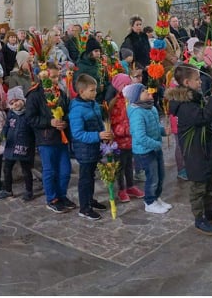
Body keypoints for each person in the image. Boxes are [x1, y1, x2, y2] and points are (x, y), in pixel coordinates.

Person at [167, 65, 212, 235]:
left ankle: (210, 212)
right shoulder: (183, 105)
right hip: (195, 152)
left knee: (209, 183)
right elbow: (203, 117)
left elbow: (207, 111)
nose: (200, 81)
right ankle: (199, 218)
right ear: (187, 82)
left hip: (205, 149)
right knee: (199, 187)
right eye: (197, 79)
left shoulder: (193, 97)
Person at [26, 63, 76, 213]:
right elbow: (30, 118)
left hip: (62, 137)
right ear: (43, 76)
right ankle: (52, 198)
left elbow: (67, 111)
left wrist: (65, 121)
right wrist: (50, 122)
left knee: (65, 170)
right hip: (46, 138)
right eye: (53, 77)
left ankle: (62, 195)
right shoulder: (34, 94)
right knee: (50, 170)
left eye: (57, 76)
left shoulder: (60, 92)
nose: (56, 80)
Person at [69, 73, 114, 221]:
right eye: (92, 90)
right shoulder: (77, 109)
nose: (95, 93)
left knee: (91, 176)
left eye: (95, 90)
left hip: (95, 147)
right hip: (85, 149)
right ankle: (84, 207)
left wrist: (105, 135)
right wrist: (98, 136)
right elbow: (78, 133)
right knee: (85, 178)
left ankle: (90, 200)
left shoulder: (93, 103)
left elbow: (99, 122)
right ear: (81, 92)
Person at [124, 83, 171, 214]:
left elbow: (155, 127)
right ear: (135, 97)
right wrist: (156, 144)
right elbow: (140, 136)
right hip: (145, 151)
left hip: (155, 147)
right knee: (153, 177)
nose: (147, 91)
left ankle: (156, 198)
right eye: (143, 91)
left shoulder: (151, 108)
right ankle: (149, 202)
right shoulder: (137, 113)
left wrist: (163, 131)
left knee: (161, 175)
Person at [108, 74, 144, 203]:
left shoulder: (133, 100)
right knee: (120, 166)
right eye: (126, 85)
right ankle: (121, 189)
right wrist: (126, 130)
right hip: (119, 141)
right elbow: (114, 123)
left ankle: (130, 186)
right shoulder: (115, 103)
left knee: (130, 164)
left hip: (131, 141)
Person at [0, 86, 35, 201]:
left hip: (24, 147)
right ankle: (8, 190)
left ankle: (29, 191)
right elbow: (6, 126)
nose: (15, 104)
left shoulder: (29, 114)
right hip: (10, 146)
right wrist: (1, 136)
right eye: (12, 103)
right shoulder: (11, 114)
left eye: (17, 100)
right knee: (7, 169)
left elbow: (33, 130)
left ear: (23, 100)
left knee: (26, 170)